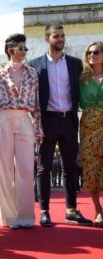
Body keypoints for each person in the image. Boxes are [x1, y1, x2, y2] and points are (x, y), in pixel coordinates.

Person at [30, 24, 92, 227]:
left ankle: (71, 210)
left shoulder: (75, 64)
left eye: (63, 36)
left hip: (68, 120)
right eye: (56, 36)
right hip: (47, 120)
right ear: (47, 39)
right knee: (44, 167)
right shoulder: (35, 65)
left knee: (70, 167)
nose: (61, 39)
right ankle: (45, 211)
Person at [0, 33, 43, 229]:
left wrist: (38, 131)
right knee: (3, 169)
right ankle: (9, 217)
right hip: (2, 116)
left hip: (24, 119)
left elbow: (36, 104)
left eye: (25, 48)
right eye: (20, 48)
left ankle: (26, 216)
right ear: (10, 50)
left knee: (25, 168)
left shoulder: (32, 74)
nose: (24, 51)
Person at [79, 41, 103, 227]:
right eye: (89, 52)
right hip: (89, 124)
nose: (91, 55)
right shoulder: (82, 78)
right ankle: (98, 211)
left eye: (95, 52)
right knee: (92, 167)